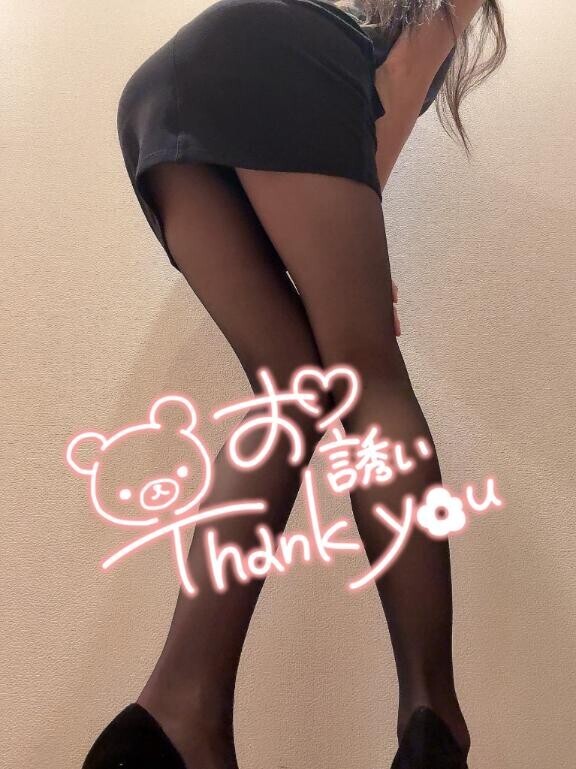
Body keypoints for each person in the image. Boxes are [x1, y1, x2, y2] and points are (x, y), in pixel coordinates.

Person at [83, 1, 506, 767]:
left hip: (162, 100)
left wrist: (339, 258)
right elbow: (388, 102)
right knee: (367, 376)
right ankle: (433, 713)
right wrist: (352, 262)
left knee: (293, 394)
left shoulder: (351, 17)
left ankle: (177, 715)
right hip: (269, 64)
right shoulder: (418, 20)